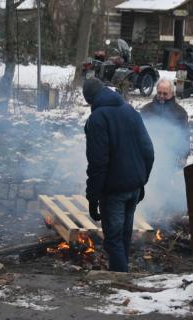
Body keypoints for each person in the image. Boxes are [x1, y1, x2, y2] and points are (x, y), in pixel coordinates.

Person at [83, 78, 154, 272]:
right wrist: (142, 181)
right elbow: (148, 150)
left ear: (90, 99)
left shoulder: (98, 118)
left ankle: (119, 286)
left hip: (114, 191)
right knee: (124, 237)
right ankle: (125, 279)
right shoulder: (130, 110)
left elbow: (98, 164)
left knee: (114, 240)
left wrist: (92, 198)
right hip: (133, 188)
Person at [140, 78, 190, 162]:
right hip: (148, 158)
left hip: (171, 159)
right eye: (159, 93)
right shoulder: (146, 110)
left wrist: (183, 157)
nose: (161, 96)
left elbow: (185, 138)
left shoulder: (180, 113)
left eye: (165, 94)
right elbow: (139, 134)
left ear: (172, 93)